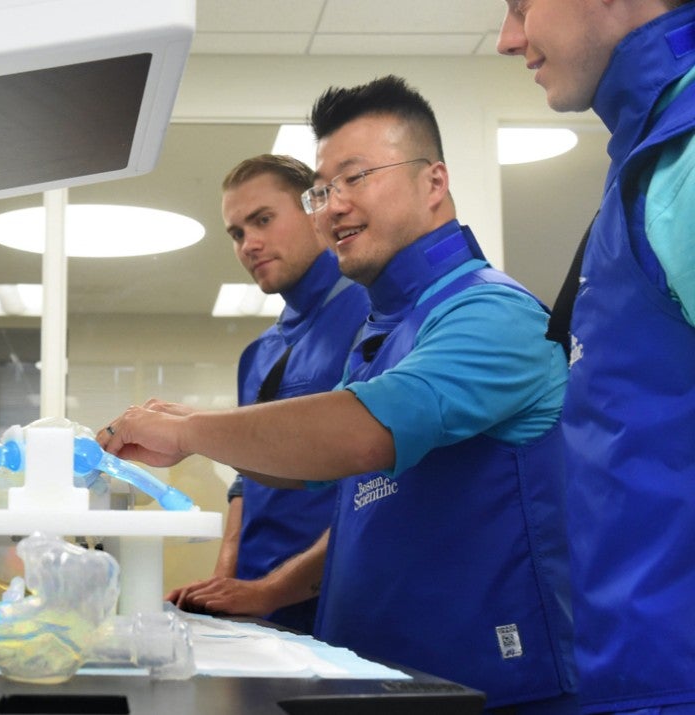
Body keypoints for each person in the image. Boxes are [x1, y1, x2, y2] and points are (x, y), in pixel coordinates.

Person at [99, 76, 577, 713]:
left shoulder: (492, 312)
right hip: (378, 673)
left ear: (434, 182)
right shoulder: (385, 329)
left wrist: (188, 430)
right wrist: (268, 585)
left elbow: (360, 433)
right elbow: (347, 494)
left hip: (488, 688)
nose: (332, 207)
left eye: (357, 177)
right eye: (323, 190)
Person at [498, 2, 695, 712]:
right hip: (647, 670)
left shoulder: (684, 160)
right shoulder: (648, 161)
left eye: (522, 5)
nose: (508, 38)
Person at [163, 155, 367, 634]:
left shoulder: (372, 318)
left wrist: (272, 590)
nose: (249, 244)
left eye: (263, 220)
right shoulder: (258, 353)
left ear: (315, 210)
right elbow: (245, 478)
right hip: (255, 607)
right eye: (236, 233)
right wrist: (225, 579)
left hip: (339, 603)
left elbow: (380, 489)